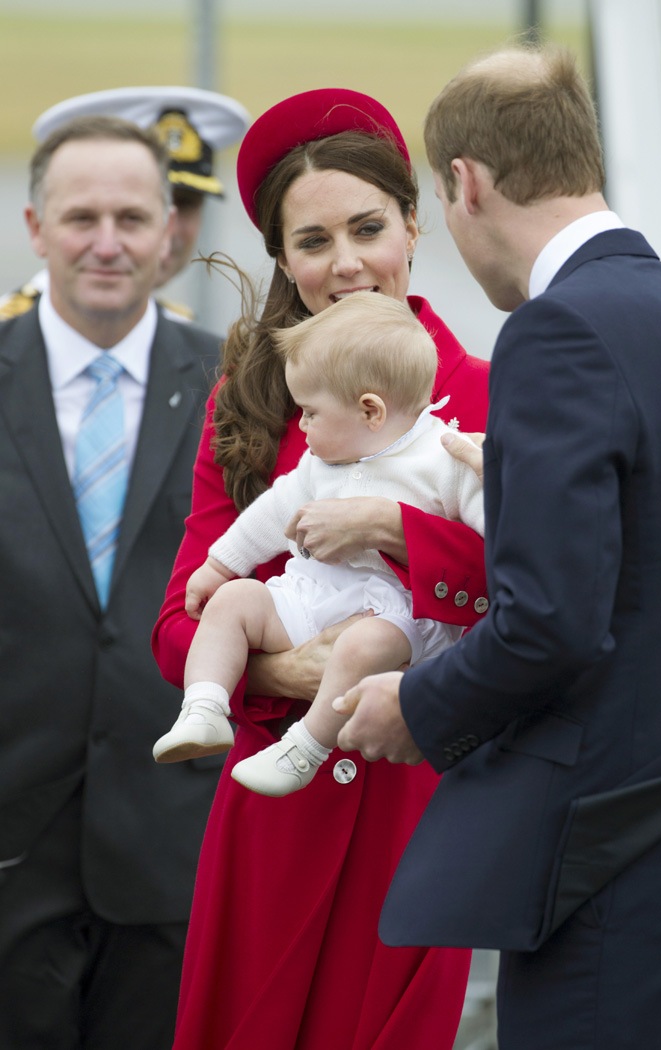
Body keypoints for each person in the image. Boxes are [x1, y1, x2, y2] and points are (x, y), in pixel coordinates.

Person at [334, 44, 661, 1050]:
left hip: (606, 859)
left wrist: (415, 705)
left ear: (465, 183)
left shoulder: (559, 331)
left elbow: (551, 620)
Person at [152, 87, 490, 1049]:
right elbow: (178, 624)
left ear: (415, 226)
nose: (346, 266)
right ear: (284, 261)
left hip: (417, 809)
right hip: (271, 810)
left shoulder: (489, 399)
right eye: (311, 242)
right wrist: (298, 671)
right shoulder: (262, 400)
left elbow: (535, 597)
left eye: (368, 228)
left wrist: (393, 527)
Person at [0, 115, 223, 1050]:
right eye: (80, 215)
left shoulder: (236, 385)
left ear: (170, 231)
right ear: (35, 225)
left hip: (173, 841)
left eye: (132, 217)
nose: (106, 242)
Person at [152, 291, 484, 798]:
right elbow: (271, 512)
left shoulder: (446, 458)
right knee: (236, 601)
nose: (301, 424)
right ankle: (204, 708)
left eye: (310, 412)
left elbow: (502, 543)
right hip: (313, 595)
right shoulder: (322, 462)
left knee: (361, 646)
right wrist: (221, 565)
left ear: (369, 410)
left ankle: (304, 748)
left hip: (394, 613)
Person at [0, 85, 250, 322]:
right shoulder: (10, 332)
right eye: (84, 217)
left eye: (184, 204)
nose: (166, 229)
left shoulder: (190, 341)